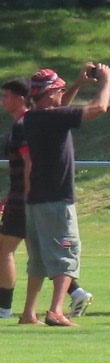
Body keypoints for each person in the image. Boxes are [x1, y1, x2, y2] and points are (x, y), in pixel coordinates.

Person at [17, 62, 110, 326]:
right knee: (66, 254)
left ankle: (28, 313)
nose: (61, 94)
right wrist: (106, 81)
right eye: (58, 90)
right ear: (49, 94)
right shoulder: (52, 118)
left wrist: (77, 84)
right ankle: (56, 311)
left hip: (36, 200)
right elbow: (99, 108)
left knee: (37, 260)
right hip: (57, 199)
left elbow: (59, 108)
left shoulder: (32, 117)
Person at [0, 77, 28, 318]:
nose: (2, 101)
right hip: (20, 198)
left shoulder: (23, 125)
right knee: (40, 252)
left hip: (24, 201)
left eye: (6, 96)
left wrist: (26, 196)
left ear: (20, 99)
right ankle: (76, 292)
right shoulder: (24, 123)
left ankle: (4, 308)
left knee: (4, 250)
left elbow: (30, 164)